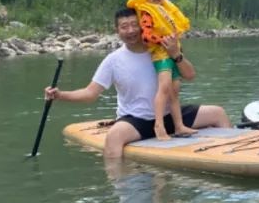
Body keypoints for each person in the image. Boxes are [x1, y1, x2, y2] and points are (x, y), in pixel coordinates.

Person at [44, 8, 231, 158]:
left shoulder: (161, 50)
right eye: (124, 27)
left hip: (170, 117)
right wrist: (60, 95)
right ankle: (121, 187)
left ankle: (231, 156)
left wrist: (176, 54)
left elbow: (190, 75)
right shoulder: (113, 60)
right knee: (114, 137)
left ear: (144, 26)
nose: (131, 30)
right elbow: (90, 93)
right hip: (136, 120)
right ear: (117, 31)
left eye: (135, 25)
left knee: (218, 113)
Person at [127, 0, 192, 140]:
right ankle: (159, 126)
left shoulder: (164, 9)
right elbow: (147, 34)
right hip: (161, 53)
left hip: (173, 51)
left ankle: (179, 126)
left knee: (175, 90)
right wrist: (163, 41)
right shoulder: (147, 12)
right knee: (164, 88)